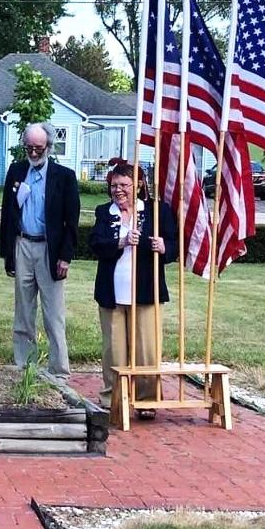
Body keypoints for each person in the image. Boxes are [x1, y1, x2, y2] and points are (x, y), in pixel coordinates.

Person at [89, 160, 177, 414]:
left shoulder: (157, 211)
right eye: (114, 185)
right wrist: (122, 241)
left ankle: (147, 400)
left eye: (124, 185)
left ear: (138, 185)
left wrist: (163, 247)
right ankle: (113, 398)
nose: (118, 190)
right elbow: (96, 244)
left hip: (146, 291)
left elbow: (174, 245)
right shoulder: (104, 212)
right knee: (114, 350)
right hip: (112, 292)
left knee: (146, 350)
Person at [0, 123, 80, 375]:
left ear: (49, 147)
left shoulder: (64, 176)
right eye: (29, 148)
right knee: (23, 311)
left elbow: (72, 221)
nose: (33, 153)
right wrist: (8, 254)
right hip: (23, 244)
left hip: (49, 248)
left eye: (38, 148)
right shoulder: (16, 171)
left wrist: (65, 256)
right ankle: (25, 367)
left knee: (53, 313)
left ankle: (59, 370)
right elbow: (9, 213)